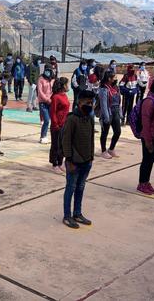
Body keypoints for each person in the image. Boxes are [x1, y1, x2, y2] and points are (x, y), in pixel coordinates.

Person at [61, 90, 95, 229]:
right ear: (79, 102)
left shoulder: (90, 118)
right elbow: (66, 141)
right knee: (71, 188)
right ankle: (67, 216)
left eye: (91, 102)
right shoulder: (72, 119)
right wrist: (69, 159)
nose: (90, 105)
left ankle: (77, 213)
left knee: (80, 188)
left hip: (86, 161)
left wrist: (91, 157)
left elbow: (91, 139)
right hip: (74, 162)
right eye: (87, 102)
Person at [98, 71, 122, 159]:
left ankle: (111, 149)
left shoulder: (116, 87)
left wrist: (120, 112)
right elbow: (103, 104)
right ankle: (103, 151)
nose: (116, 79)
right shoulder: (104, 89)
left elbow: (119, 101)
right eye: (114, 77)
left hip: (115, 112)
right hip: (108, 113)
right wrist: (106, 117)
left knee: (118, 132)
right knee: (105, 133)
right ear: (109, 79)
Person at [49, 77, 70, 174]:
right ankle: (54, 164)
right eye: (66, 84)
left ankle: (61, 162)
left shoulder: (64, 95)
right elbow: (53, 112)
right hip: (57, 126)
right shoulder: (55, 97)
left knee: (63, 145)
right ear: (62, 86)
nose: (68, 86)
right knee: (56, 145)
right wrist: (55, 124)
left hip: (65, 124)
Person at [37, 65, 54, 144]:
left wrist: (52, 99)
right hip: (43, 102)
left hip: (51, 102)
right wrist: (47, 99)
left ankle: (49, 136)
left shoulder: (52, 80)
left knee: (52, 120)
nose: (47, 72)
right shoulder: (41, 79)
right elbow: (40, 92)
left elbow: (54, 90)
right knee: (46, 120)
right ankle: (42, 136)